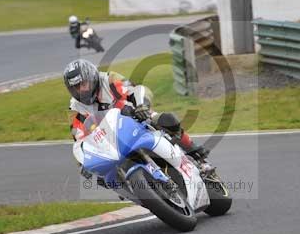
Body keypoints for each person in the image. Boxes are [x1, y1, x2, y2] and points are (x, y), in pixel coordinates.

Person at [63, 59, 208, 177]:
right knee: (102, 176)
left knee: (165, 120)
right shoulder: (75, 108)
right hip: (110, 140)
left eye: (83, 84)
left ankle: (195, 154)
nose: (81, 90)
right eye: (75, 87)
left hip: (135, 117)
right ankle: (133, 187)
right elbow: (80, 138)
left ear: (92, 78)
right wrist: (83, 162)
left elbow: (134, 90)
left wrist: (141, 106)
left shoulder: (108, 79)